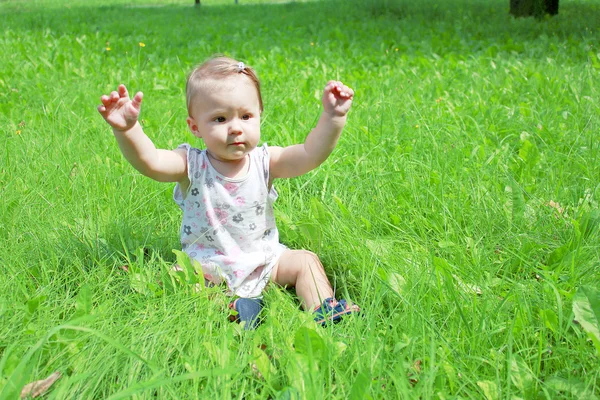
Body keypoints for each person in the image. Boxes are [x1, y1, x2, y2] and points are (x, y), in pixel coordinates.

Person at [98, 56, 360, 329]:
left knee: (305, 261)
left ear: (259, 116)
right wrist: (128, 130)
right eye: (220, 119)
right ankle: (235, 309)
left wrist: (333, 117)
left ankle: (323, 308)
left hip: (265, 261)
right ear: (195, 127)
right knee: (182, 278)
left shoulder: (266, 161)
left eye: (246, 116)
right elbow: (150, 161)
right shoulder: (191, 165)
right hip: (211, 267)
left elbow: (310, 153)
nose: (236, 127)